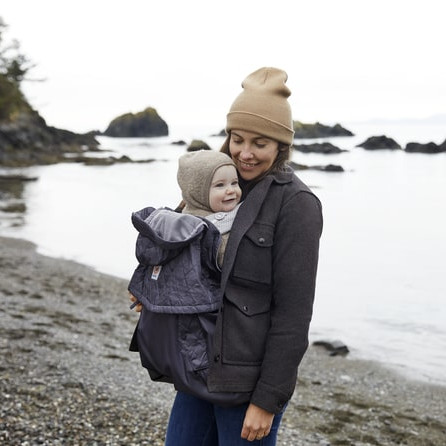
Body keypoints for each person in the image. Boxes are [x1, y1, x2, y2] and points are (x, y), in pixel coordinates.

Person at [160, 67, 323, 445]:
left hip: (249, 385)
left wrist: (267, 400)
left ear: (281, 145)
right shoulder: (214, 183)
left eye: (260, 143)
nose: (245, 154)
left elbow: (294, 315)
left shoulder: (297, 205)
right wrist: (150, 287)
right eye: (237, 139)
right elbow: (176, 243)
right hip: (198, 369)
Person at [128, 150, 246, 405]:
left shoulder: (169, 224)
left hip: (165, 343)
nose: (231, 191)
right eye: (220, 185)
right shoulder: (212, 232)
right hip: (200, 333)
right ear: (197, 192)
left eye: (235, 183)